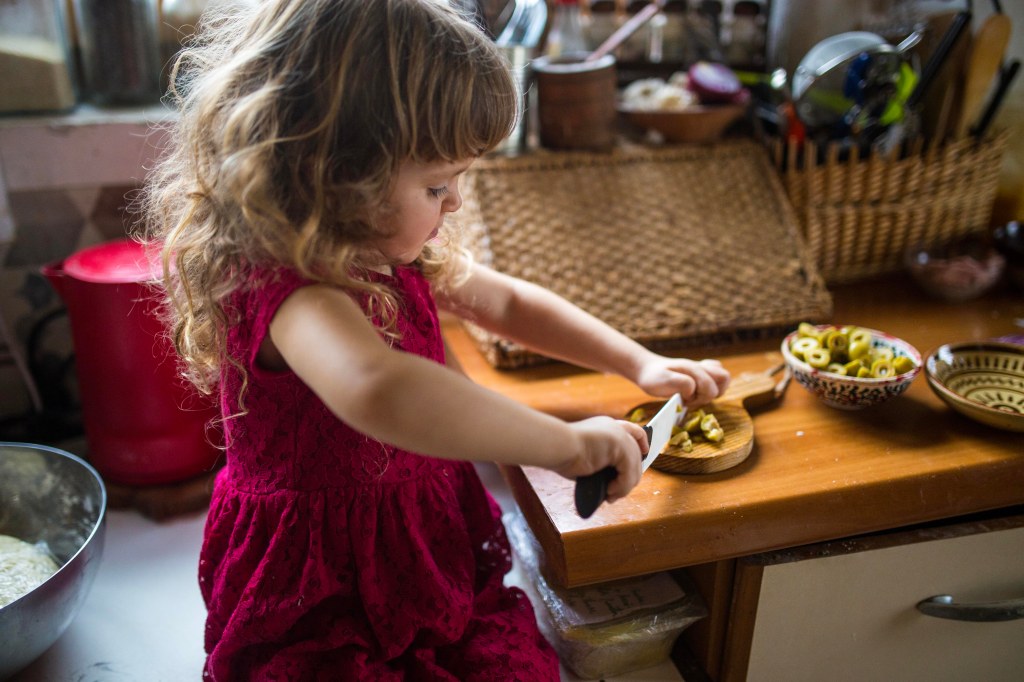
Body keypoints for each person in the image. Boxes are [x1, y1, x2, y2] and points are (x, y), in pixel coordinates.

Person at [141, 1, 731, 679]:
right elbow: (379, 387)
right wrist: (565, 444)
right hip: (318, 590)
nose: (454, 203)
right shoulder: (292, 293)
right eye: (437, 184)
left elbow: (508, 302)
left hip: (417, 549)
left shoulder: (388, 251)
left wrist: (638, 362)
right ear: (337, 172)